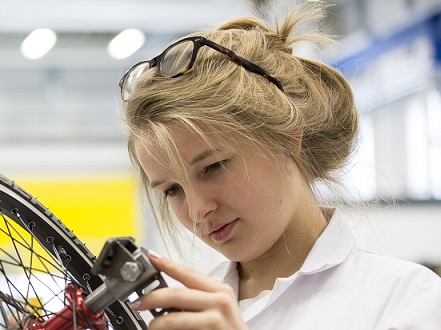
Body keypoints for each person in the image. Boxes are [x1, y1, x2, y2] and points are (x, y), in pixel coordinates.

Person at [119, 2, 441, 329]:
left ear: (288, 137)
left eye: (213, 166)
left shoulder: (408, 300)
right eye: (172, 190)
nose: (199, 210)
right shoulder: (173, 317)